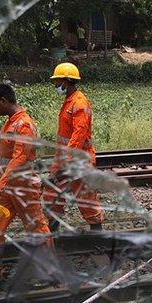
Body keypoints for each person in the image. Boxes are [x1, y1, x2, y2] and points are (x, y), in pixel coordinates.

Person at [0, 83, 53, 288]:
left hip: (23, 188)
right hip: (8, 188)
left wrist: (0, 183)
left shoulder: (23, 124)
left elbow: (20, 157)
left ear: (4, 101)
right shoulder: (10, 122)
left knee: (37, 230)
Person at [44, 62, 105, 232]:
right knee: (52, 192)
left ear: (67, 81)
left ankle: (97, 232)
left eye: (57, 82)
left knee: (85, 197)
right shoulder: (69, 101)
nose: (55, 85)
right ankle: (52, 230)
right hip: (64, 158)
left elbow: (78, 136)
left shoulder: (79, 103)